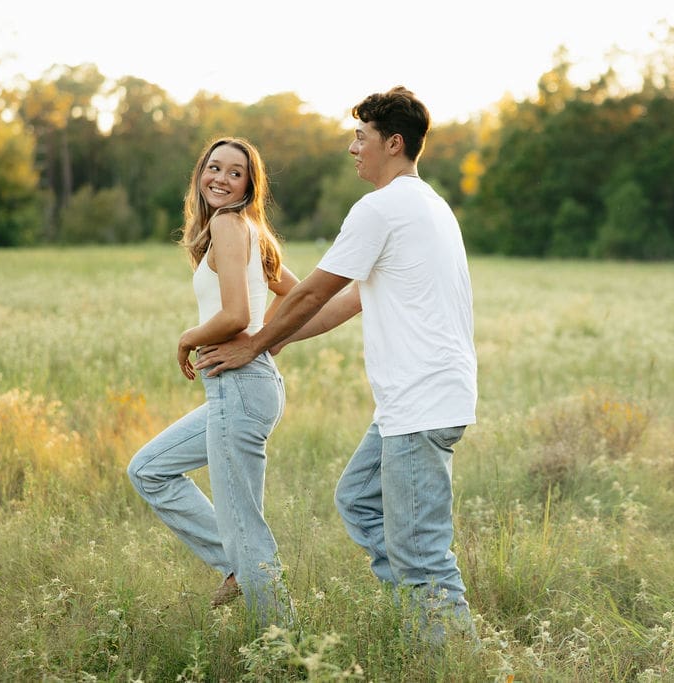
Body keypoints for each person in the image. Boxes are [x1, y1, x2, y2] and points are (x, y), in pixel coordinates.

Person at [195, 86, 479, 646]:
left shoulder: (382, 207)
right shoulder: (429, 205)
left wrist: (253, 346)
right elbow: (343, 303)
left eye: (361, 137)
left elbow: (310, 293)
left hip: (420, 404)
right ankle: (420, 621)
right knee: (358, 498)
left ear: (392, 143)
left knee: (422, 553)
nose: (353, 148)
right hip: (416, 401)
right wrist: (273, 341)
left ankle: (451, 655)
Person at [127, 137, 299, 630]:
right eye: (213, 168)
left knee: (246, 524)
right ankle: (235, 568)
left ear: (249, 184)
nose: (221, 179)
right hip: (245, 386)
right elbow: (293, 292)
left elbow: (235, 314)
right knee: (149, 470)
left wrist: (189, 338)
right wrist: (269, 338)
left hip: (240, 384)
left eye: (235, 173)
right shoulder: (244, 229)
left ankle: (282, 648)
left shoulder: (229, 222)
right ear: (200, 173)